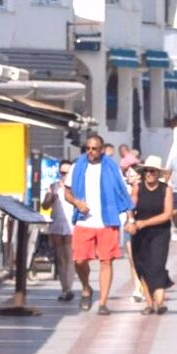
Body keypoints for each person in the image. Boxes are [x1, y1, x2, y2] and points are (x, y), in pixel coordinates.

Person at [62, 132, 132, 313]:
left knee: (106, 261)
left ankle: (102, 302)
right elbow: (67, 192)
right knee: (79, 260)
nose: (90, 152)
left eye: (94, 149)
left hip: (107, 221)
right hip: (84, 222)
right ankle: (86, 288)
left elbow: (123, 193)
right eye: (88, 148)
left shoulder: (112, 168)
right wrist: (77, 202)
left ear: (101, 150)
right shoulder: (77, 166)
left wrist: (130, 218)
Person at [124, 161, 176, 315]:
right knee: (142, 267)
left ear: (158, 173)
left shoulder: (165, 190)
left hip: (159, 232)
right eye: (147, 171)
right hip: (140, 234)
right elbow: (130, 207)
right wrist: (131, 221)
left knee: (157, 266)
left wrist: (143, 223)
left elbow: (167, 215)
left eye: (153, 171)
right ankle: (149, 303)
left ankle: (159, 304)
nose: (149, 174)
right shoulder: (137, 188)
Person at [43, 160, 78, 302]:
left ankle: (69, 287)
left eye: (67, 173)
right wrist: (50, 196)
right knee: (60, 257)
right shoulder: (54, 186)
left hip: (71, 225)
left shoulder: (75, 187)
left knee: (69, 256)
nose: (64, 175)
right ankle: (64, 288)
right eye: (62, 173)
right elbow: (45, 205)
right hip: (57, 223)